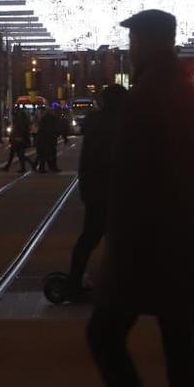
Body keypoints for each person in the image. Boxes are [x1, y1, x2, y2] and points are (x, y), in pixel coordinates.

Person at [88, 9, 194, 387]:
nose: (130, 49)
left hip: (148, 248)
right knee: (180, 352)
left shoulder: (146, 99)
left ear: (145, 43)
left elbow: (131, 183)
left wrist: (115, 252)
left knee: (104, 336)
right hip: (188, 246)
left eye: (133, 40)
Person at [69, 83, 125, 289]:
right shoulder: (124, 122)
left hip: (94, 189)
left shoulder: (93, 120)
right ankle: (116, 280)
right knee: (120, 238)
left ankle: (75, 279)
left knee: (89, 237)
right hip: (117, 191)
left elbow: (89, 158)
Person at [35, 106, 68, 173]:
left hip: (44, 139)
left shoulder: (44, 119)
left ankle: (43, 168)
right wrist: (63, 137)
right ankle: (52, 167)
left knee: (44, 154)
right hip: (51, 139)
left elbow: (41, 129)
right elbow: (57, 128)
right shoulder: (53, 119)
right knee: (51, 154)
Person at [5, 108, 36, 173]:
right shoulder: (22, 120)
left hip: (18, 140)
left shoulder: (19, 121)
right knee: (17, 154)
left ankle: (27, 166)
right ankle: (30, 164)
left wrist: (16, 137)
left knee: (18, 154)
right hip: (18, 139)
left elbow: (18, 130)